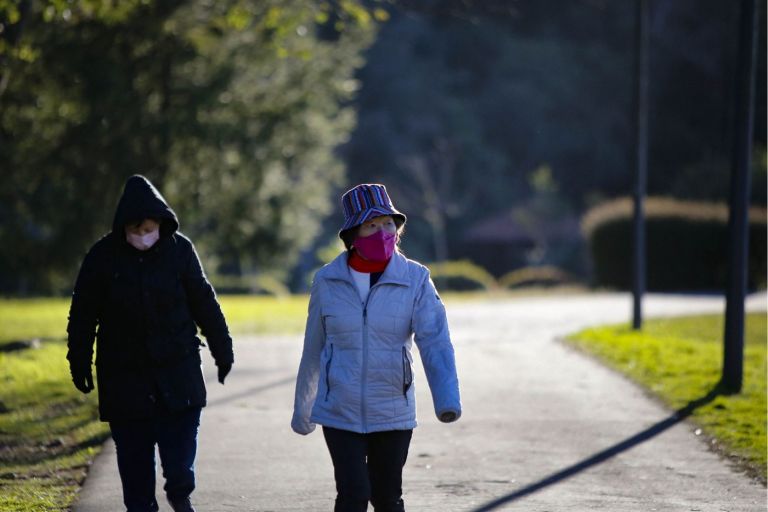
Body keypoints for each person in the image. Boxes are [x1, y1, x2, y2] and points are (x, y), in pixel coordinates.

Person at [66, 175, 234, 512]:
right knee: (134, 461)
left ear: (161, 224)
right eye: (135, 230)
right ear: (123, 228)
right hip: (125, 379)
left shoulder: (180, 251)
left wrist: (222, 347)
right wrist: (79, 360)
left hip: (178, 373)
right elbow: (83, 313)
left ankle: (180, 493)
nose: (143, 237)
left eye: (149, 229)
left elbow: (204, 302)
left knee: (180, 453)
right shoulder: (102, 257)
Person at [292, 183, 462, 512]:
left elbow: (435, 341)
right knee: (352, 497)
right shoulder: (327, 280)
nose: (383, 231)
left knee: (387, 498)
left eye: (388, 224)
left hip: (393, 411)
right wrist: (303, 408)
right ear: (353, 234)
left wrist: (447, 400)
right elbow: (314, 346)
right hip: (340, 410)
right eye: (372, 225)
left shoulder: (415, 279)